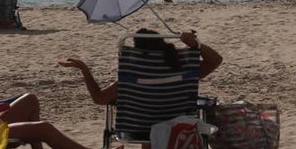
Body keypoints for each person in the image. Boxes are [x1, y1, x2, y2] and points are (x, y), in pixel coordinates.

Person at [58, 30, 222, 107]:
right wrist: (196, 45)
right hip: (178, 128)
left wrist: (84, 69)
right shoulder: (183, 69)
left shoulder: (135, 72)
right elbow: (216, 60)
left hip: (141, 128)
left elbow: (99, 99)